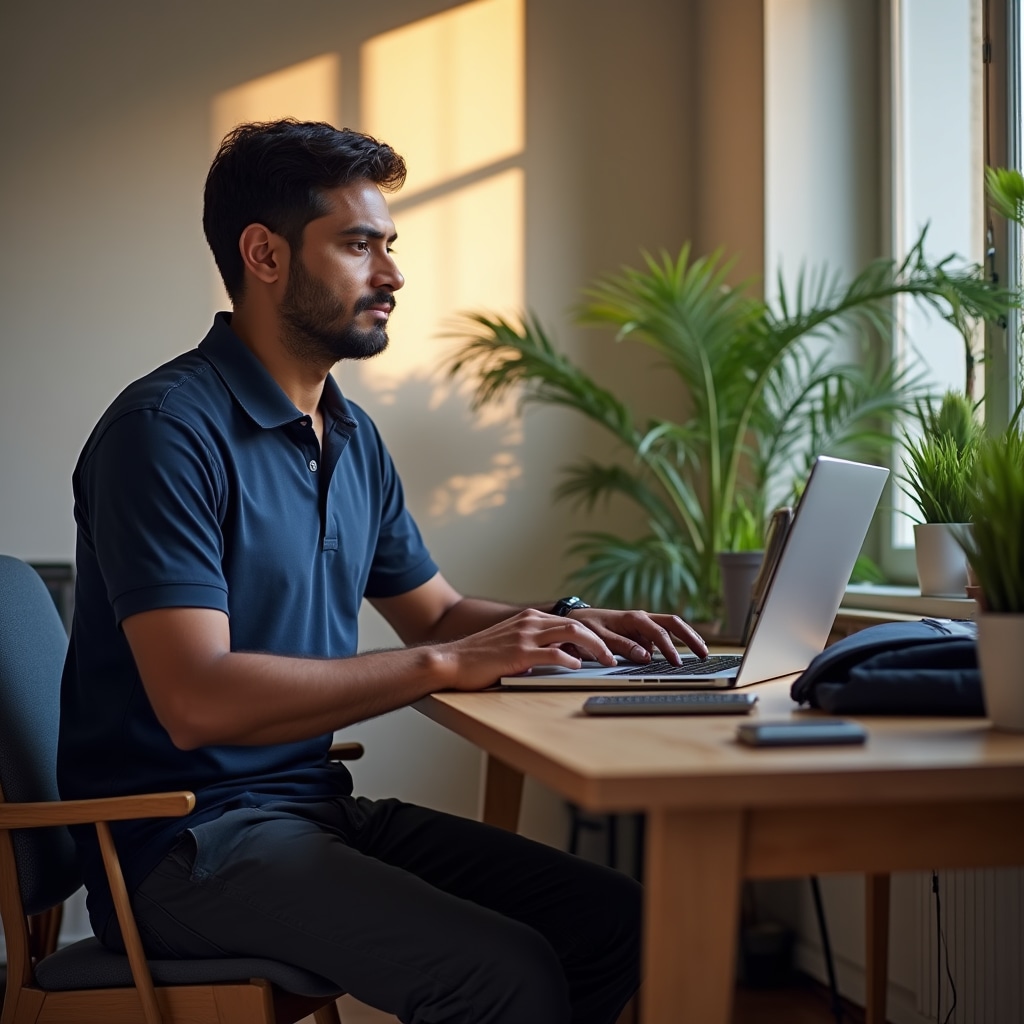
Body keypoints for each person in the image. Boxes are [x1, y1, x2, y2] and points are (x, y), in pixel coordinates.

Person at [57, 118, 708, 1024]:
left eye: (389, 245)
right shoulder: (163, 433)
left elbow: (437, 616)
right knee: (504, 973)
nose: (393, 275)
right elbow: (196, 699)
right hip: (184, 846)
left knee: (612, 922)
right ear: (265, 254)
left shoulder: (349, 436)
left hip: (307, 810)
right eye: (360, 245)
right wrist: (448, 665)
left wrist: (567, 623)